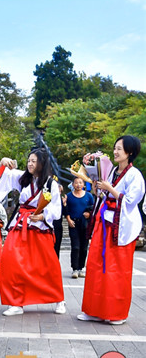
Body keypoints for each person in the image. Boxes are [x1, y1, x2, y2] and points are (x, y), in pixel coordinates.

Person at [0, 148, 66, 316]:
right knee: (11, 262)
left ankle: (58, 299)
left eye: (34, 161)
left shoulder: (51, 184)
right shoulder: (23, 178)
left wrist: (43, 215)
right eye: (29, 160)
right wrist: (3, 162)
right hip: (20, 224)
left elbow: (57, 210)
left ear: (42, 163)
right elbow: (4, 174)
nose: (30, 164)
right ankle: (16, 302)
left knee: (46, 265)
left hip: (39, 227)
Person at [78, 135, 145, 325]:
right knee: (96, 266)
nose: (115, 152)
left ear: (129, 152)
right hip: (104, 222)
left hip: (121, 227)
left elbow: (132, 202)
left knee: (117, 270)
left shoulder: (135, 175)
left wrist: (111, 189)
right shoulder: (112, 171)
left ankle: (116, 313)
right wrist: (95, 178)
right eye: (115, 148)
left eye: (119, 149)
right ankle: (93, 309)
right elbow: (100, 192)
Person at [65, 177, 94, 278]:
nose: (78, 184)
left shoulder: (89, 196)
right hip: (73, 224)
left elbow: (94, 209)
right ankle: (75, 269)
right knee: (75, 247)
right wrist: (68, 220)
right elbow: (66, 209)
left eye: (80, 182)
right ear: (72, 184)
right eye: (76, 182)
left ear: (83, 185)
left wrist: (89, 214)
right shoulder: (69, 196)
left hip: (85, 224)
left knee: (84, 247)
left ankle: (81, 268)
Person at [53, 183, 66, 258]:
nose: (59, 193)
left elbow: (65, 213)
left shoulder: (61, 201)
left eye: (60, 192)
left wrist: (64, 205)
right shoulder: (47, 200)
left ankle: (56, 263)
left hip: (58, 226)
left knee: (57, 246)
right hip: (49, 226)